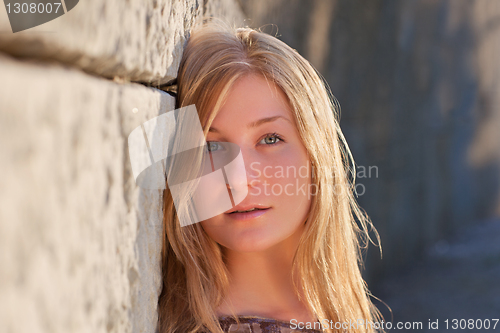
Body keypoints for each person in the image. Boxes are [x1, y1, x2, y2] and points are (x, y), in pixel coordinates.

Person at [158, 18, 382, 333]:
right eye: (211, 146)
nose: (239, 179)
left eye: (270, 139)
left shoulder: (337, 310)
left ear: (316, 156)